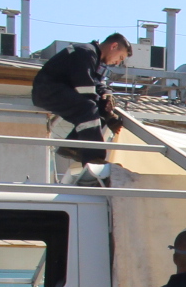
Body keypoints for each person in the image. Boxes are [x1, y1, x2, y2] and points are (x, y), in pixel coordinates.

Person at [31, 32, 130, 181]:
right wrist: (107, 115)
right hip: (48, 90)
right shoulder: (85, 52)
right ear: (114, 46)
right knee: (89, 109)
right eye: (120, 57)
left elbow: (96, 84)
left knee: (95, 109)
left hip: (59, 90)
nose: (117, 63)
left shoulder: (93, 57)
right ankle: (93, 158)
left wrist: (106, 98)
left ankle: (74, 147)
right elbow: (85, 87)